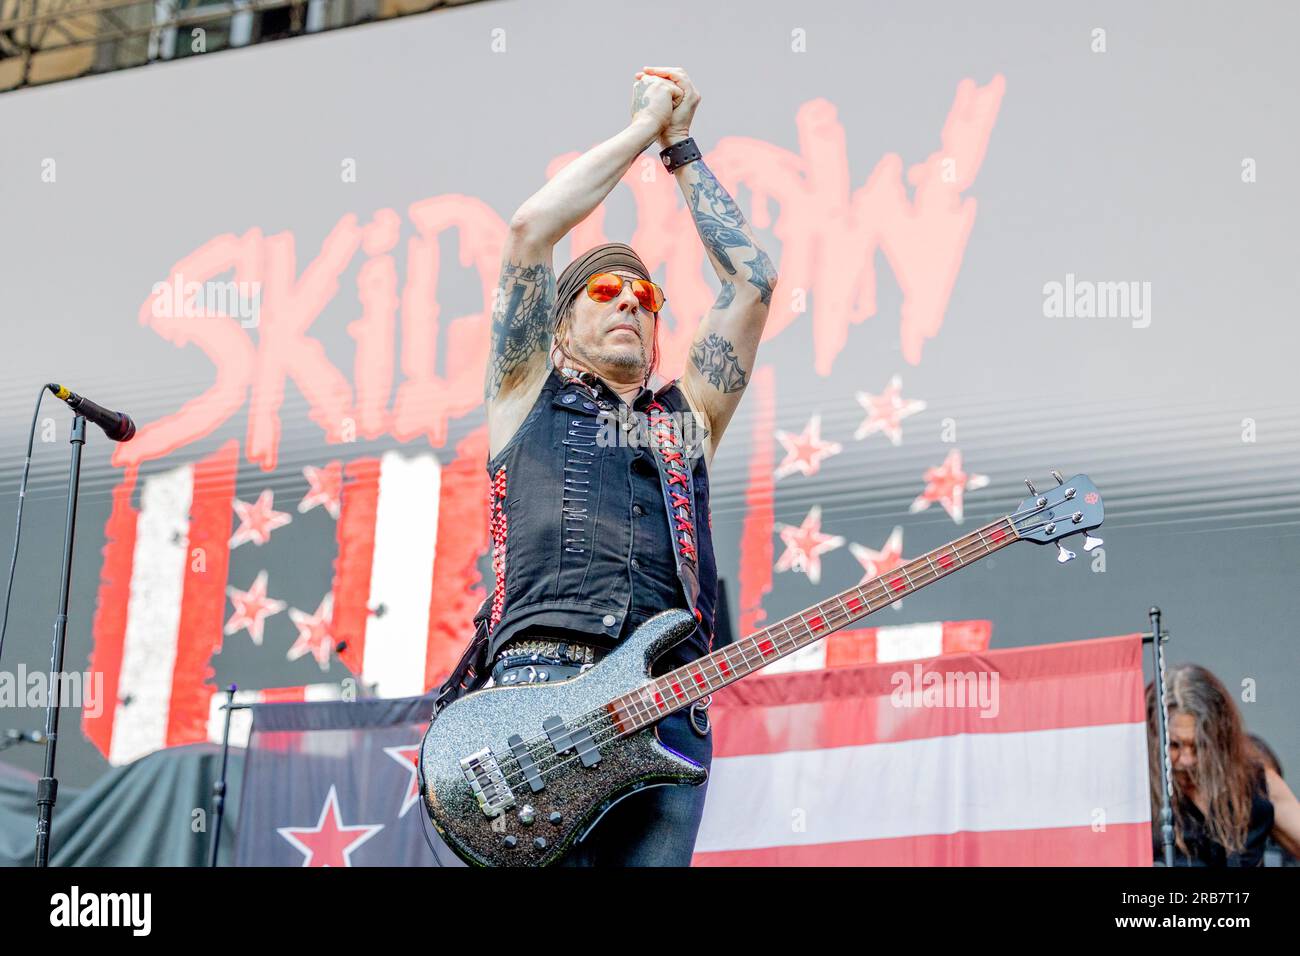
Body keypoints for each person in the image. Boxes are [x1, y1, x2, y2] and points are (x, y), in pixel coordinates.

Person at [453, 65, 776, 866]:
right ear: (560, 327)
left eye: (646, 294)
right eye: (605, 289)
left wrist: (682, 149)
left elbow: (752, 281)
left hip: (664, 714)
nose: (631, 299)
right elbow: (531, 228)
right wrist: (639, 129)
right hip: (538, 706)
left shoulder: (682, 421)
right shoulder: (525, 389)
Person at [1146, 664, 1300, 866]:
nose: (1187, 759)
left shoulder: (1255, 783)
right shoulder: (1138, 794)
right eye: (1174, 745)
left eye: (1199, 745)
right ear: (1155, 737)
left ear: (1220, 738)